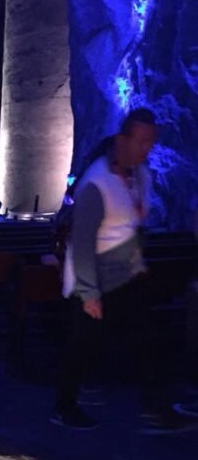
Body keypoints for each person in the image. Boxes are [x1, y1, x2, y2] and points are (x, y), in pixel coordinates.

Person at [52, 107, 195, 433]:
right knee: (80, 346)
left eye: (151, 142)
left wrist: (137, 261)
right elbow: (83, 241)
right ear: (122, 140)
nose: (147, 149)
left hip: (126, 276)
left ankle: (155, 410)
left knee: (147, 340)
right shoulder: (95, 184)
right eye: (142, 141)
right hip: (92, 279)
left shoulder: (140, 174)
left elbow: (131, 226)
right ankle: (63, 407)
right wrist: (89, 292)